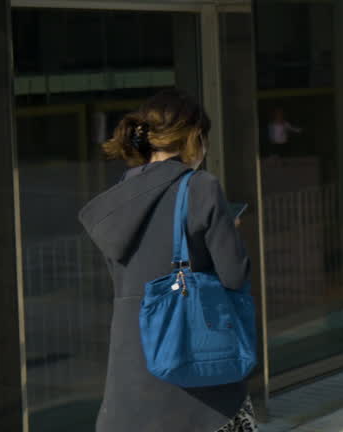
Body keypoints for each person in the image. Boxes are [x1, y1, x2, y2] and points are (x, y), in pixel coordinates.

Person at [79, 89, 253, 432]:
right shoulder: (201, 187)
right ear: (193, 137)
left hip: (132, 366)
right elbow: (235, 276)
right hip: (197, 366)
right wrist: (229, 231)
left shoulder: (120, 197)